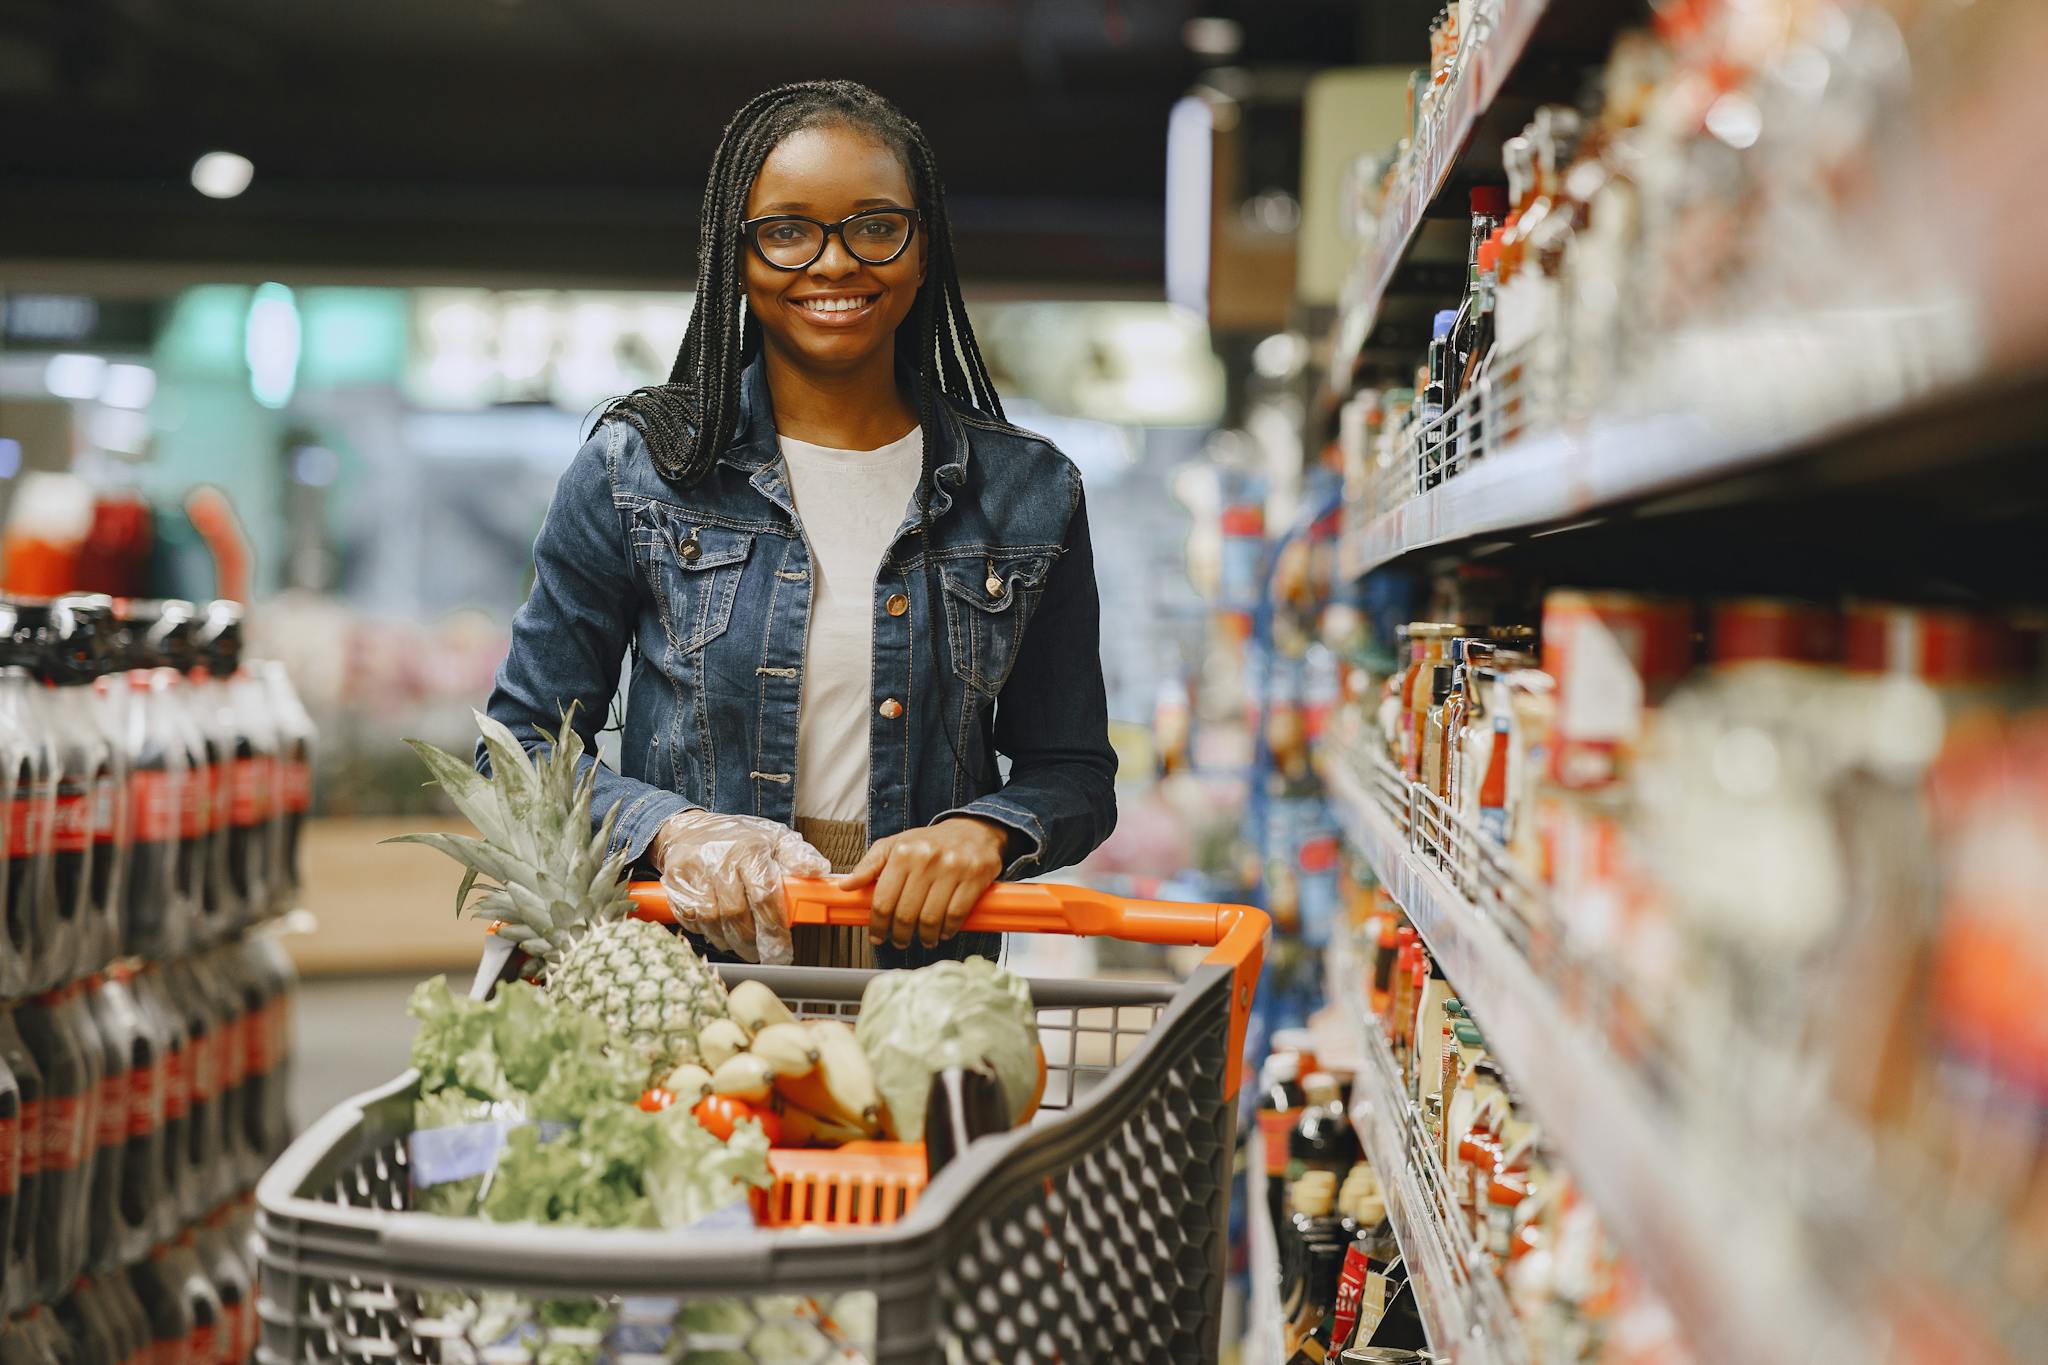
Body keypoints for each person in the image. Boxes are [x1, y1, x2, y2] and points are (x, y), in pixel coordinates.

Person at [483, 80, 1117, 968]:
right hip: (689, 981)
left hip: (923, 995)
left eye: (875, 225)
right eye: (786, 231)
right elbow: (519, 753)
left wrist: (990, 830)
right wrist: (675, 831)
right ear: (734, 257)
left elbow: (1076, 770)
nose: (833, 263)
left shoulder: (1029, 493)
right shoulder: (639, 471)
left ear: (923, 247)